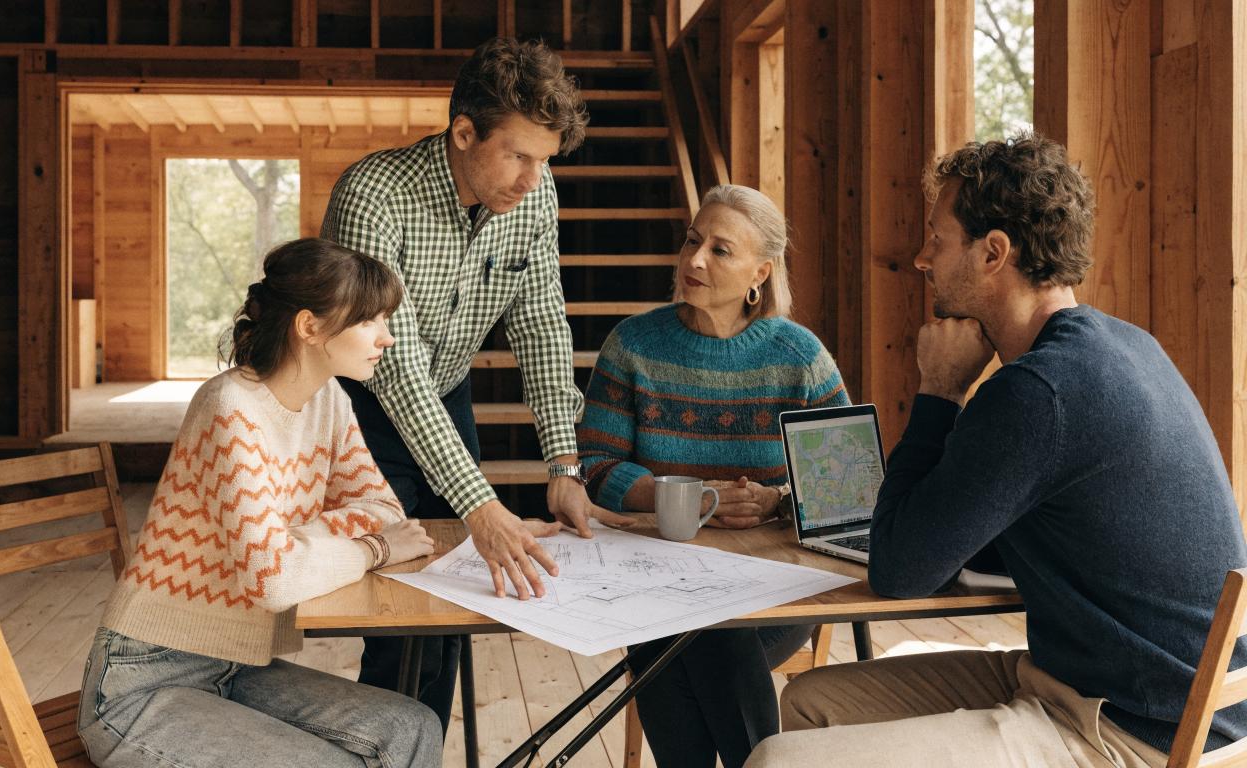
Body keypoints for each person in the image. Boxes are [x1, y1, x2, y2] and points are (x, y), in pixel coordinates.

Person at [746, 133, 1247, 768]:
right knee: (813, 701)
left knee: (779, 761)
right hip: (1105, 686)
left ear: (993, 253)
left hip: (1132, 731)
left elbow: (900, 573)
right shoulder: (1124, 345)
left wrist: (938, 390)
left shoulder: (1038, 392)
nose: (921, 258)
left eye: (937, 239)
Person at [320, 37, 629, 728]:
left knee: (453, 608)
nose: (532, 179)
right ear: (464, 133)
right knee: (399, 613)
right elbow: (395, 368)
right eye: (518, 155)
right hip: (360, 406)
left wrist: (565, 466)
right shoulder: (374, 196)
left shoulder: (535, 197)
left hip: (447, 395)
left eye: (544, 160)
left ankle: (423, 746)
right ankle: (391, 748)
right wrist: (480, 505)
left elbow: (541, 324)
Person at [77, 238, 443, 768]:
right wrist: (372, 550)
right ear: (309, 326)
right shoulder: (230, 407)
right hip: (142, 684)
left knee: (413, 725)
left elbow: (383, 509)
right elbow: (275, 580)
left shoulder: (328, 400)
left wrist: (293, 545)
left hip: (236, 663)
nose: (387, 337)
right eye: (370, 320)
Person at [578, 184, 849, 768]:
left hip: (778, 582)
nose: (694, 259)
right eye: (692, 241)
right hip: (658, 571)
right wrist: (692, 499)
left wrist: (776, 500)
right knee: (683, 626)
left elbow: (847, 491)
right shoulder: (632, 345)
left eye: (720, 250)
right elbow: (597, 466)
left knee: (696, 632)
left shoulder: (801, 357)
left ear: (760, 273)